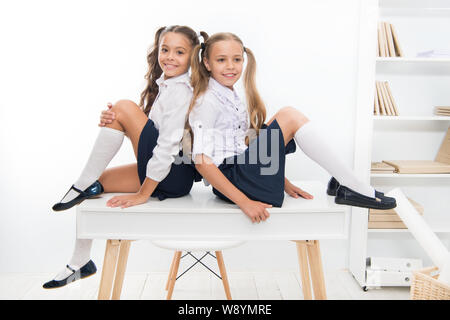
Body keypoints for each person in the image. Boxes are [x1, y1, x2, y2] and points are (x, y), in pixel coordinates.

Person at [44, 25, 205, 289]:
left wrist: (142, 194)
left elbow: (166, 147)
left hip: (175, 173)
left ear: (192, 58)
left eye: (179, 52)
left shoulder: (182, 90)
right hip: (169, 174)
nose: (169, 57)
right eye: (165, 50)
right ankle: (79, 262)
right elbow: (148, 134)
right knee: (98, 182)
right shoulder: (167, 86)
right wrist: (115, 121)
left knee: (124, 106)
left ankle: (80, 184)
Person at [187, 32, 396, 224]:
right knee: (288, 116)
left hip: (240, 171)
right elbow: (202, 162)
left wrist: (284, 182)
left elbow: (241, 149)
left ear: (244, 60)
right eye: (221, 60)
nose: (230, 66)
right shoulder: (207, 102)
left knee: (282, 118)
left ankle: (346, 182)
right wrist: (244, 202)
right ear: (207, 63)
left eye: (237, 59)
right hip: (232, 180)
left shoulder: (229, 96)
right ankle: (350, 184)